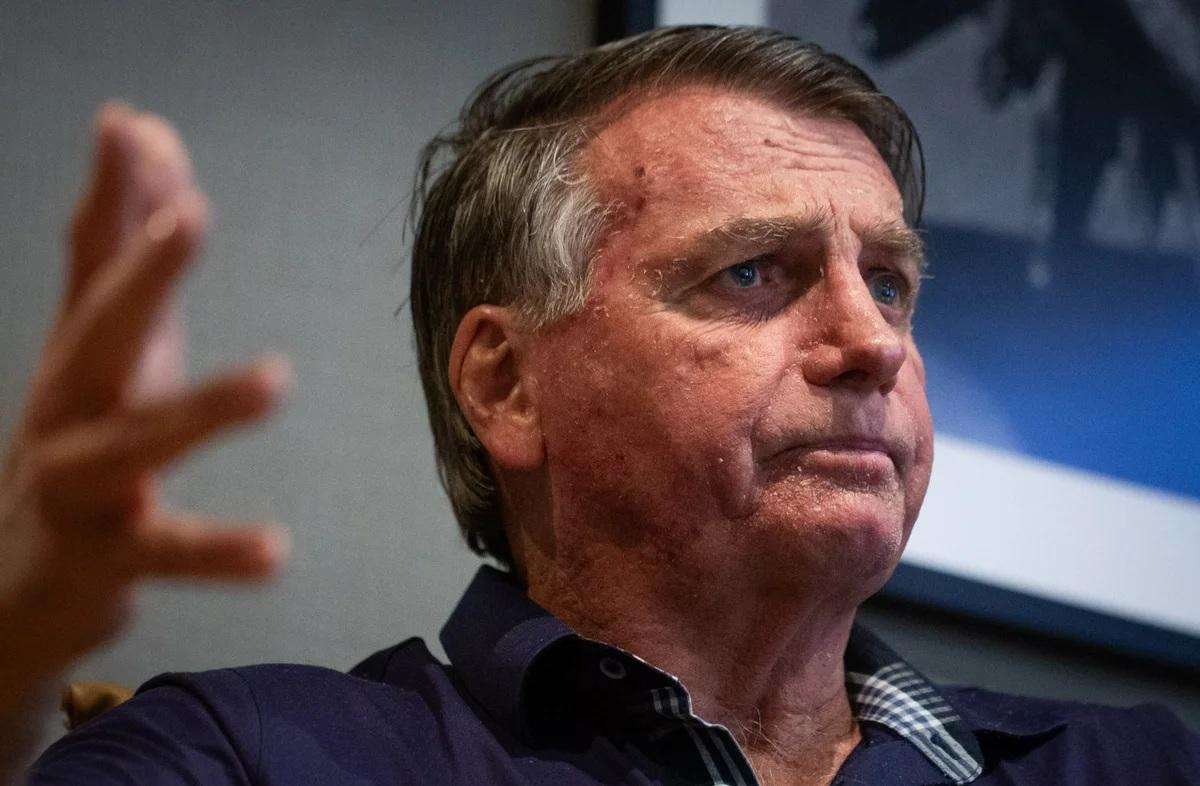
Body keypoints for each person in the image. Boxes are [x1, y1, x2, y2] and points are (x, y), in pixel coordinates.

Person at [2, 25, 1197, 786]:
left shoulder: (1137, 763)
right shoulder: (261, 756)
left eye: (889, 282)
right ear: (506, 383)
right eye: (754, 273)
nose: (874, 343)